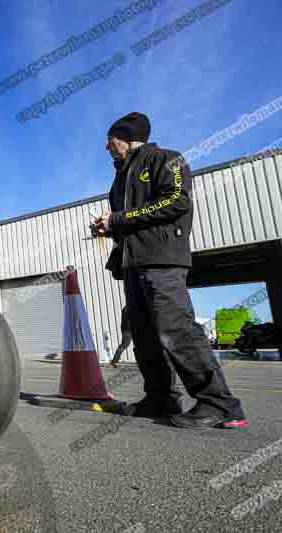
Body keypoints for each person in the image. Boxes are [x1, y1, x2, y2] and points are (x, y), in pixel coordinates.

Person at [92, 112, 247, 429]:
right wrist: (110, 229)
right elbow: (132, 220)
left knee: (177, 331)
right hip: (133, 264)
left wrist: (119, 219)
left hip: (162, 260)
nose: (107, 147)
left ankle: (220, 404)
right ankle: (160, 399)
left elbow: (176, 201)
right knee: (145, 337)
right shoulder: (121, 177)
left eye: (111, 140)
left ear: (128, 136)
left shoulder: (166, 159)